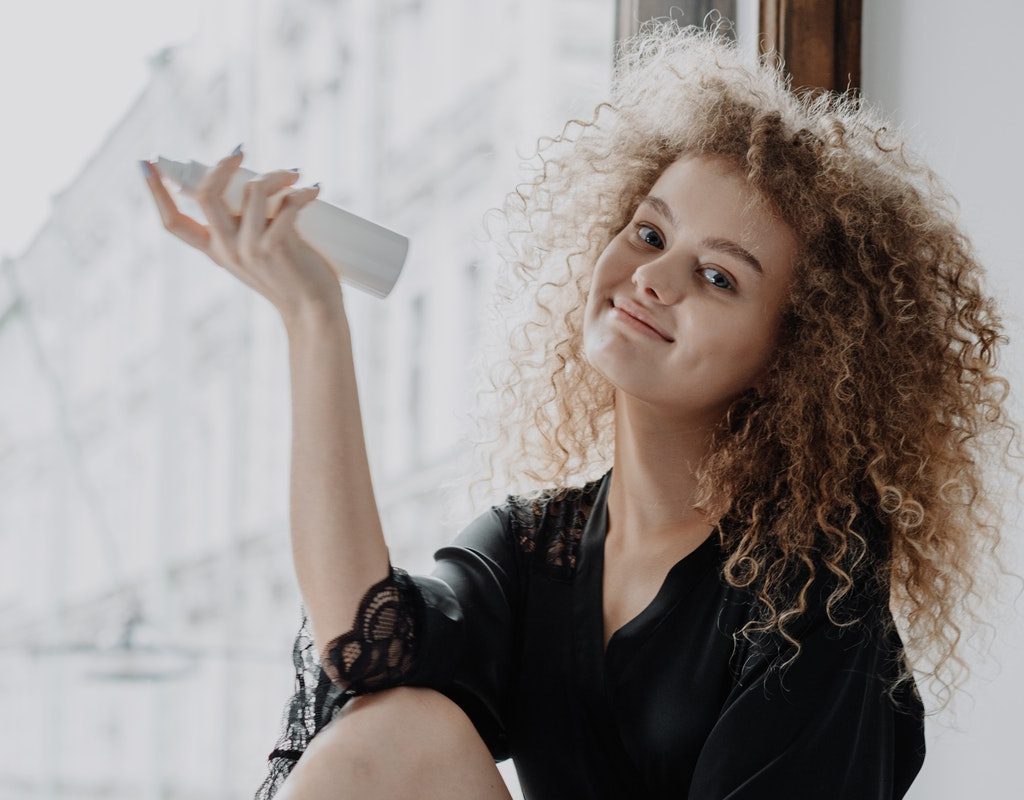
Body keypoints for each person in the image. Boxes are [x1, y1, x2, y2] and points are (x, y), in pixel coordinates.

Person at [141, 16, 1019, 800]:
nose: (653, 277)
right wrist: (313, 319)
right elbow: (367, 649)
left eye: (718, 277)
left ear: (794, 357)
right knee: (397, 730)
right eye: (650, 232)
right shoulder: (538, 550)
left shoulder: (813, 596)